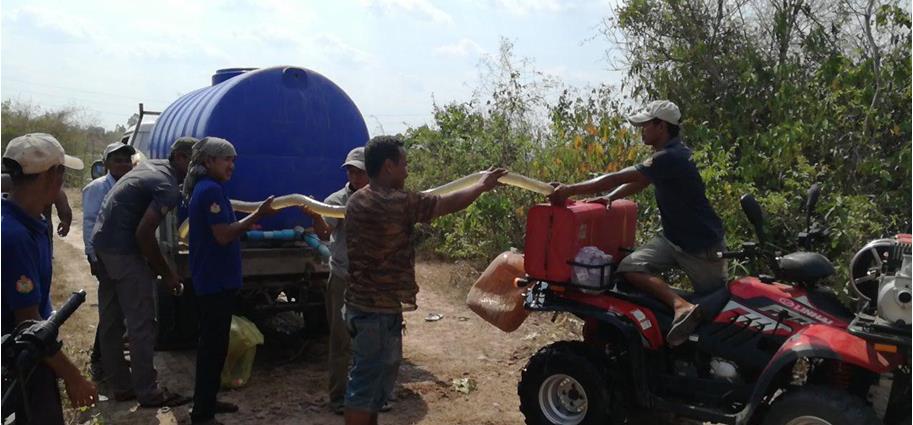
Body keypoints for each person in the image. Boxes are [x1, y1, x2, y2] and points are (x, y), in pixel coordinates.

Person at [343, 136, 506, 425]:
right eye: (404, 165)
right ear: (389, 166)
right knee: (365, 388)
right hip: (375, 312)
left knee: (371, 385)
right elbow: (446, 203)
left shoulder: (359, 198)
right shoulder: (394, 202)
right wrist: (481, 186)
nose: (407, 172)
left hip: (367, 307)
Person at [548, 100, 726, 347]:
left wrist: (570, 190)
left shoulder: (671, 157)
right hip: (673, 238)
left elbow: (616, 177)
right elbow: (641, 181)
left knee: (716, 310)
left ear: (661, 126)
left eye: (645, 125)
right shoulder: (669, 155)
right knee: (629, 268)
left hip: (701, 247)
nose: (641, 130)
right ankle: (679, 305)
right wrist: (610, 198)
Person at [91, 136, 198, 407]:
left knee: (112, 320)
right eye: (198, 162)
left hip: (103, 245)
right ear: (183, 159)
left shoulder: (151, 166)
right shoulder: (167, 185)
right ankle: (148, 392)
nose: (200, 169)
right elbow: (144, 234)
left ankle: (122, 385)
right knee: (142, 323)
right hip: (124, 253)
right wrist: (167, 273)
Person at [1, 133, 97, 424]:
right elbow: (28, 325)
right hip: (20, 360)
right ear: (53, 176)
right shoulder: (14, 236)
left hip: (33, 354)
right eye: (62, 171)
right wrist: (73, 377)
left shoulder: (31, 223)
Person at [184, 137, 277, 424]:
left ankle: (209, 401)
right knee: (212, 347)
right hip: (215, 281)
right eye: (226, 159)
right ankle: (202, 414)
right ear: (208, 161)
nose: (231, 165)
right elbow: (223, 234)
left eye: (233, 160)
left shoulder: (211, 188)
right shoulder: (210, 190)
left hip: (216, 278)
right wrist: (257, 215)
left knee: (215, 346)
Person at [302, 147, 374, 415]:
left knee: (373, 341)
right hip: (345, 279)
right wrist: (315, 216)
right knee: (341, 340)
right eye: (351, 171)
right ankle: (339, 398)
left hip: (374, 282)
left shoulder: (384, 197)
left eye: (360, 172)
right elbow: (323, 232)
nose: (355, 177)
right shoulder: (337, 200)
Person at [82, 142, 136, 382]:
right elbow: (90, 223)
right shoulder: (97, 188)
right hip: (106, 258)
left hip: (128, 258)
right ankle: (100, 361)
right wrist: (92, 256)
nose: (123, 164)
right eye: (118, 160)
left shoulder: (134, 185)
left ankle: (108, 357)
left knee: (120, 311)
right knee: (111, 313)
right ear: (106, 164)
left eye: (127, 160)